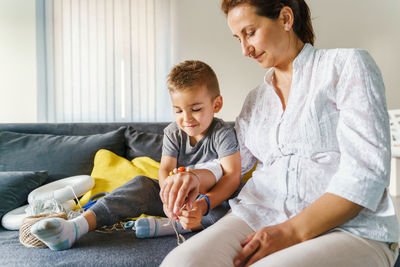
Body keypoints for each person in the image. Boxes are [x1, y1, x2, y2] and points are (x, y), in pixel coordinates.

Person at [160, 1, 399, 266]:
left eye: (250, 33)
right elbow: (233, 164)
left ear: (286, 18)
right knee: (181, 263)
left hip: (350, 228)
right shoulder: (255, 100)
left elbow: (366, 174)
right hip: (259, 213)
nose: (244, 50)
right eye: (238, 38)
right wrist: (194, 177)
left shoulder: (347, 66)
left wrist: (291, 232)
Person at [30, 60, 241, 250]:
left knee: (231, 211)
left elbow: (232, 176)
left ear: (217, 104)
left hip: (210, 201)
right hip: (175, 201)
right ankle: (77, 226)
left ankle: (171, 226)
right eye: (178, 111)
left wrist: (204, 203)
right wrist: (167, 198)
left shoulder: (222, 134)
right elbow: (165, 170)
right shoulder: (173, 133)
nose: (186, 119)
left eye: (195, 109)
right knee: (140, 184)